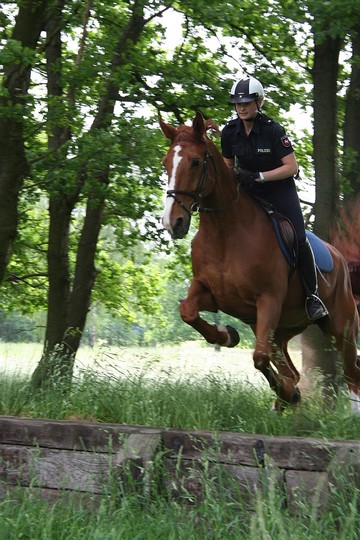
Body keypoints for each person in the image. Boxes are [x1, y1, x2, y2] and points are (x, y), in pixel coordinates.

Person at [221, 75, 328, 321]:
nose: (242, 107)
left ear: (259, 102)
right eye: (238, 104)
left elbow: (291, 167)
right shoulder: (229, 132)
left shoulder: (273, 129)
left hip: (280, 192)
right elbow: (228, 166)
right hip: (248, 193)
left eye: (247, 102)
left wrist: (260, 175)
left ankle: (313, 297)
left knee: (299, 238)